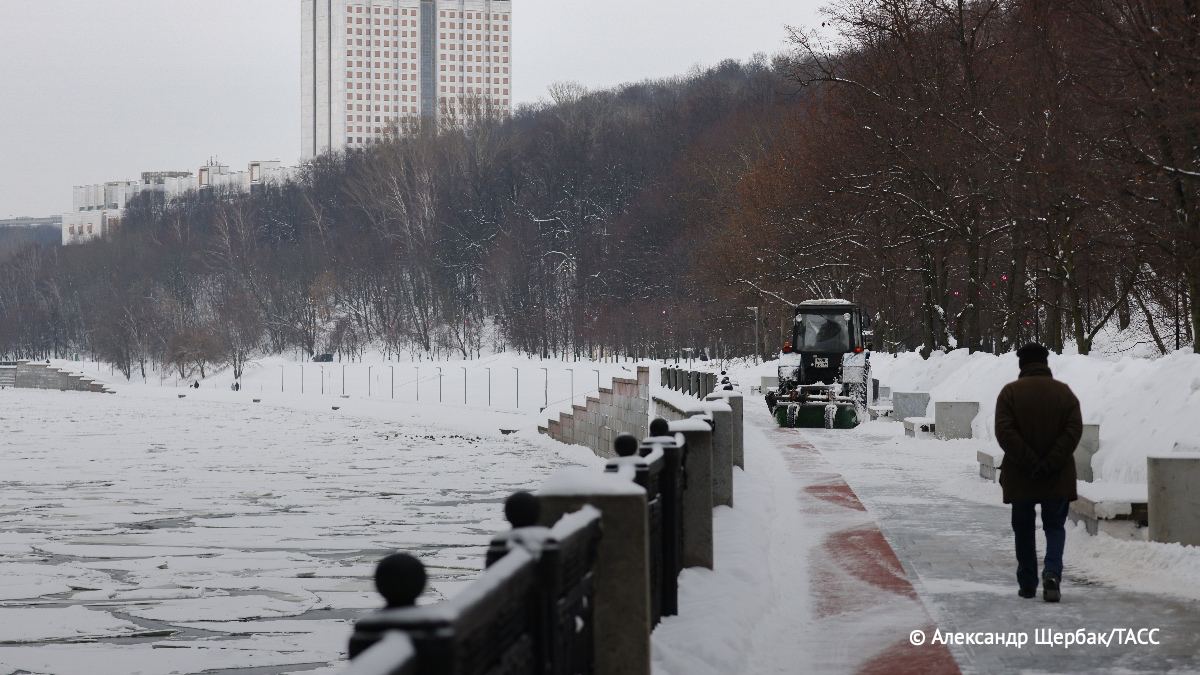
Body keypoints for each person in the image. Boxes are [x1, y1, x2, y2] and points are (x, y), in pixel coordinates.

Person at [995, 343, 1082, 602]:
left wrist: (1030, 461)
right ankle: (1052, 573)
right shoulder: (1064, 393)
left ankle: (1028, 582)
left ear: (1022, 364)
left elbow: (1005, 432)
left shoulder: (1010, 393)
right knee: (1055, 526)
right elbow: (1073, 430)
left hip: (1022, 475)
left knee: (1023, 528)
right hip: (1057, 474)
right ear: (1045, 363)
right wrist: (1051, 461)